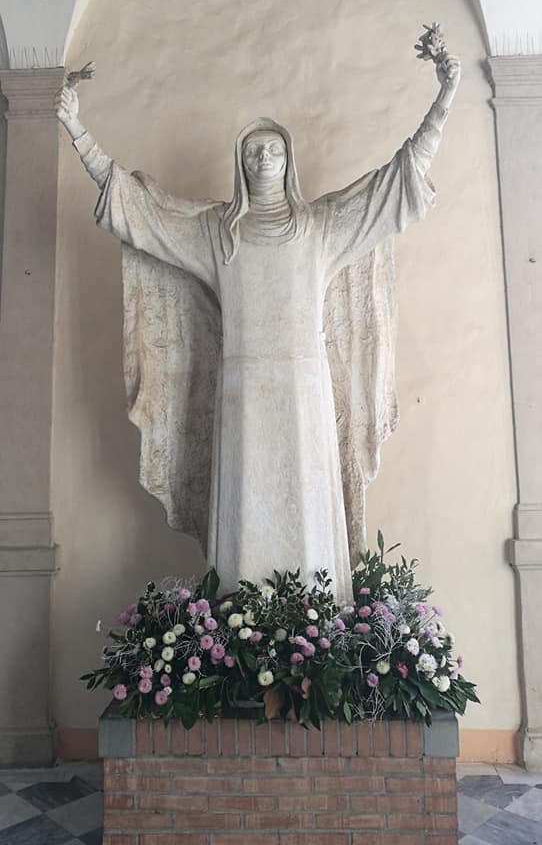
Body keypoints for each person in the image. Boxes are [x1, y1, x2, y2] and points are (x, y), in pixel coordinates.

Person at [55, 45, 460, 601]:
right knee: (248, 512)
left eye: (273, 149)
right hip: (242, 392)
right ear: (240, 165)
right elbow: (144, 214)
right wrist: (77, 130)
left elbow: (390, 189)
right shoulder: (218, 235)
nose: (264, 157)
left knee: (310, 505)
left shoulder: (320, 230)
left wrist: (443, 101)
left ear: (289, 160)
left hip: (305, 391)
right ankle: (239, 629)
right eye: (254, 151)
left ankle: (319, 627)